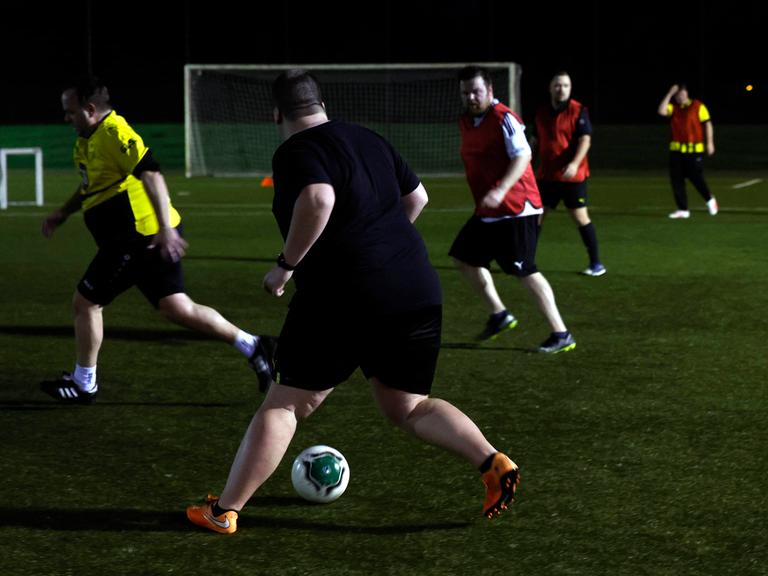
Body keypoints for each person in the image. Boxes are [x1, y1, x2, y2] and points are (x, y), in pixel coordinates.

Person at [186, 69, 520, 534]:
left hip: (342, 295)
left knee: (286, 405)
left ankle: (223, 511)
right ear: (321, 103)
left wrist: (286, 265)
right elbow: (418, 197)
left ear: (277, 113)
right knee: (406, 405)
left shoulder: (296, 150)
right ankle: (492, 462)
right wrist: (382, 245)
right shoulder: (367, 137)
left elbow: (318, 198)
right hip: (416, 287)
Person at [40, 77, 275, 403]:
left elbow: (151, 172)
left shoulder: (115, 132)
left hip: (138, 237)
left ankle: (84, 384)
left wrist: (165, 228)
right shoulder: (88, 138)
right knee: (177, 307)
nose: (66, 118)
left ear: (90, 109)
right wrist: (62, 213)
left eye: (70, 111)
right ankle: (254, 345)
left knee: (86, 302)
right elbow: (91, 188)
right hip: (141, 237)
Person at [450, 65, 575, 353]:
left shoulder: (504, 118)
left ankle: (561, 332)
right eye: (465, 92)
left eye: (476, 91)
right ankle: (500, 314)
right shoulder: (466, 121)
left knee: (524, 270)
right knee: (464, 257)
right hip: (490, 211)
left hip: (518, 208)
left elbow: (523, 156)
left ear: (490, 91)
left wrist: (500, 189)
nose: (471, 97)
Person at [533, 72, 605, 277]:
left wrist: (574, 164)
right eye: (557, 85)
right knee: (536, 217)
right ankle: (525, 260)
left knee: (580, 217)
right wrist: (527, 165)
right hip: (547, 176)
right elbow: (536, 141)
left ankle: (596, 263)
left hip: (573, 177)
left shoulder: (578, 110)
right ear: (550, 88)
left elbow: (585, 140)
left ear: (570, 88)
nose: (561, 89)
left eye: (565, 85)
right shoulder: (541, 112)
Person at [657, 83, 718, 219]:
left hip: (694, 151)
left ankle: (709, 199)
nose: (680, 96)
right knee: (676, 180)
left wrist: (710, 142)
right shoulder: (673, 108)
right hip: (676, 152)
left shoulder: (698, 106)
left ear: (687, 93)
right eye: (677, 94)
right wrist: (669, 93)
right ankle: (683, 210)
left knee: (696, 178)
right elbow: (661, 111)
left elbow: (707, 123)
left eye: (682, 93)